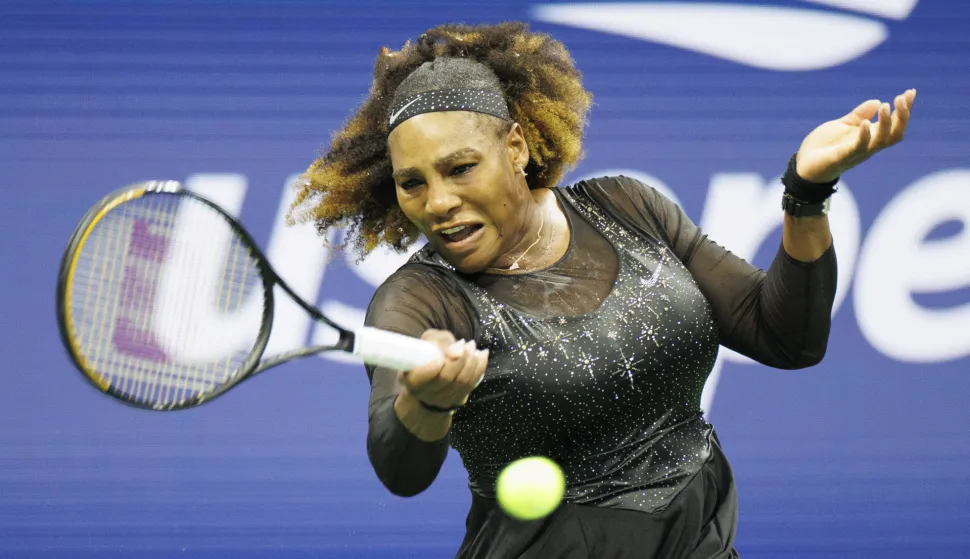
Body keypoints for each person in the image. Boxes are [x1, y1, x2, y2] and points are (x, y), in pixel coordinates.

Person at [289, 21, 916, 559]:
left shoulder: (625, 206)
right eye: (413, 183)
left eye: (459, 168)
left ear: (515, 146)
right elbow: (399, 469)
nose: (439, 201)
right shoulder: (419, 302)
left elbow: (785, 337)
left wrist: (806, 195)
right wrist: (426, 404)